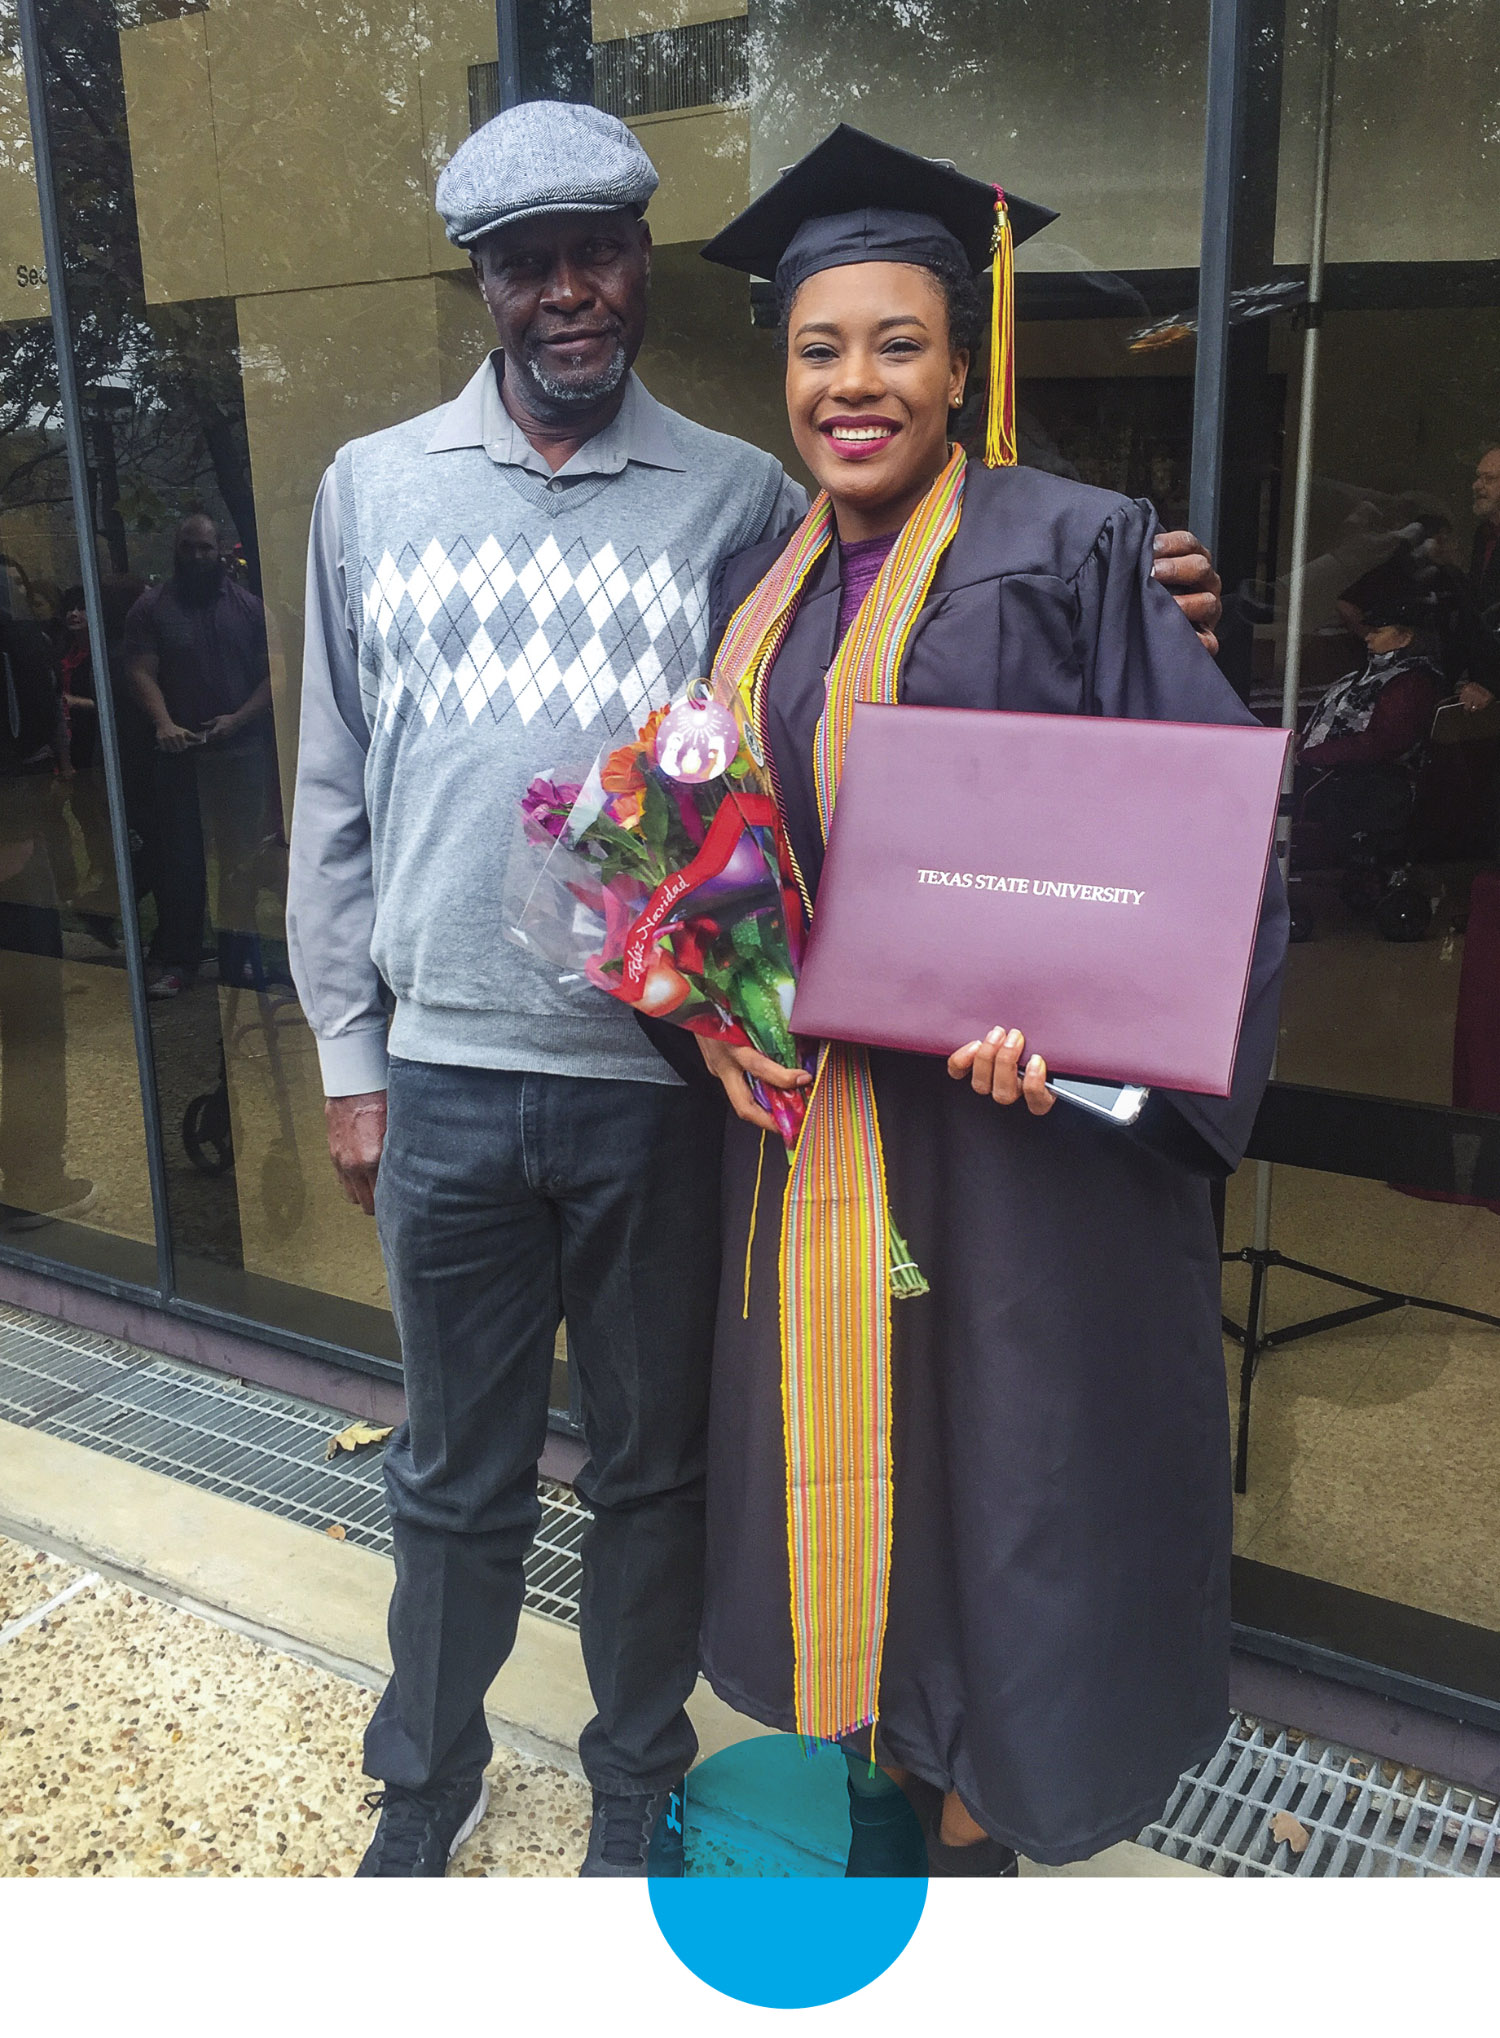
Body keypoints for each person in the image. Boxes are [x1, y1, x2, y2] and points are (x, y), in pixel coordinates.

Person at [284, 99, 1225, 1881]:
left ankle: (768, 1792)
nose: (564, 288)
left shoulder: (808, 515)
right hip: (604, 1085)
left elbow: (1118, 800)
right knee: (481, 1465)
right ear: (483, 283)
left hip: (838, 1114)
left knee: (799, 1463)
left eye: (595, 251)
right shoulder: (475, 508)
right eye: (523, 261)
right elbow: (376, 793)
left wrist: (1152, 596)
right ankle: (440, 1777)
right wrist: (376, 1046)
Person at [672, 126, 1288, 1876]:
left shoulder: (1084, 545)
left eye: (897, 344)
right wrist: (707, 989)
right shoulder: (752, 590)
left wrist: (1087, 1041)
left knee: (1004, 1473)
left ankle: (970, 1837)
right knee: (856, 1455)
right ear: (781, 369)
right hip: (815, 1125)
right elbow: (725, 842)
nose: (854, 383)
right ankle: (880, 1794)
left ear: (963, 365)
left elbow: (1199, 837)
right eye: (819, 347)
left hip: (1017, 1142)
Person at [123, 514, 275, 997]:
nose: (196, 557)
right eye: (188, 548)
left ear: (220, 553)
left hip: (240, 753)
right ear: (176, 550)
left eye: (204, 548)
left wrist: (239, 718)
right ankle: (178, 962)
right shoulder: (151, 609)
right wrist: (163, 722)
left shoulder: (251, 609)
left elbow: (277, 677)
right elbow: (140, 672)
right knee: (179, 863)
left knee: (241, 861)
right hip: (179, 756)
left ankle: (239, 961)